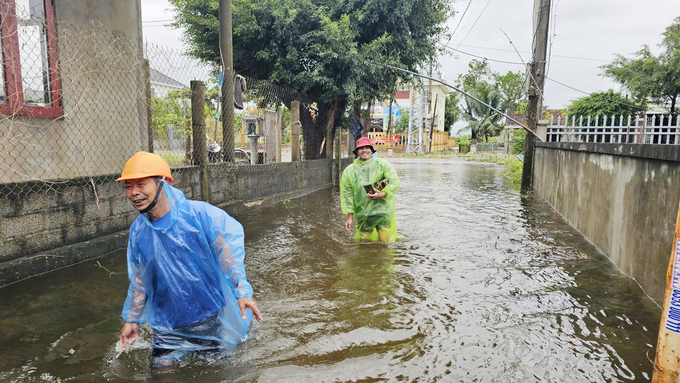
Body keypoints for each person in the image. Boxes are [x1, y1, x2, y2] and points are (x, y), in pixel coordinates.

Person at [116, 151, 262, 368]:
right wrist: (132, 319)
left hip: (208, 317)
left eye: (141, 184)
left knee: (212, 372)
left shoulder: (199, 215)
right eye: (128, 186)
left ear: (162, 183)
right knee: (161, 371)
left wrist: (241, 291)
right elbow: (140, 280)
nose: (134, 193)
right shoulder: (139, 231)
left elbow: (227, 255)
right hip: (166, 324)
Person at [341, 137, 400, 242]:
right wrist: (350, 217)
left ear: (372, 150)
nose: (364, 150)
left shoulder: (382, 165)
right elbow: (347, 195)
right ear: (357, 152)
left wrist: (382, 194)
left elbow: (394, 181)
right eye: (361, 148)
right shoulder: (349, 171)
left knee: (384, 244)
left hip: (383, 211)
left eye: (367, 147)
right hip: (363, 214)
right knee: (364, 245)